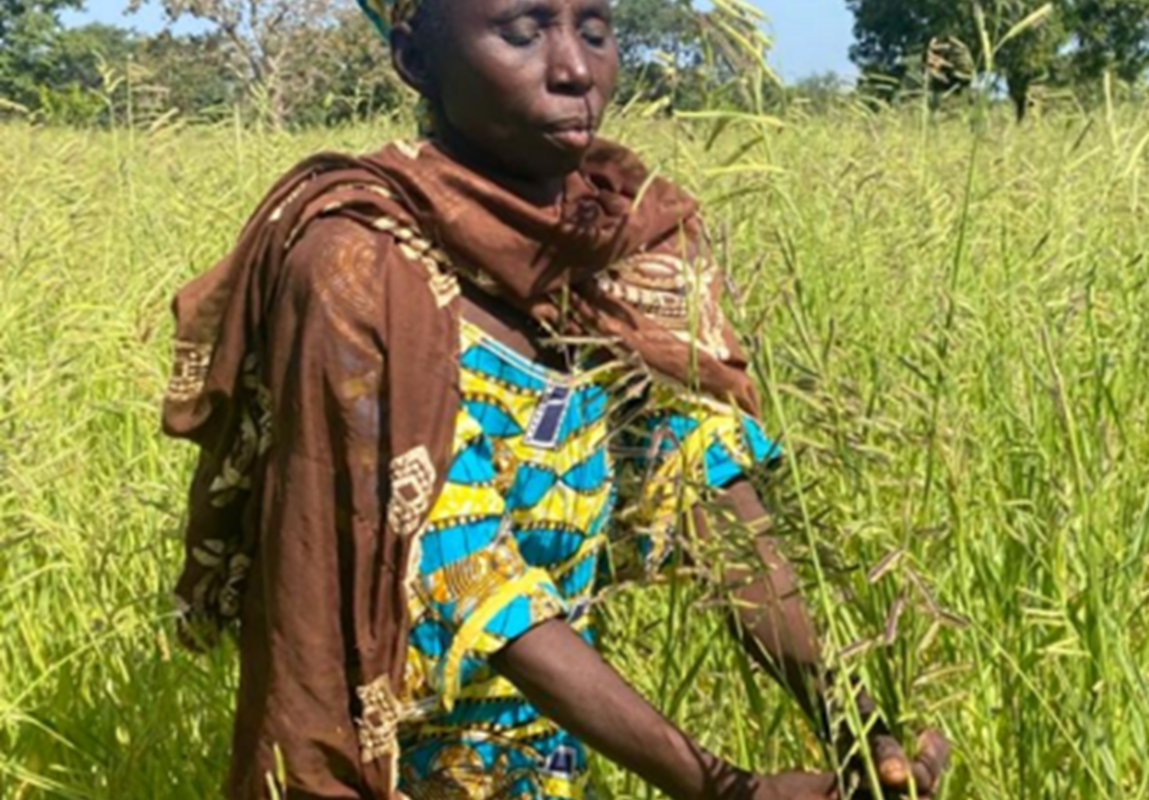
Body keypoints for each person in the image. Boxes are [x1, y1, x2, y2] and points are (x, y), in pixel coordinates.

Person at [158, 0, 948, 795]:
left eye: (595, 31)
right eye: (523, 31)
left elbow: (702, 488)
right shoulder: (356, 268)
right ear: (414, 59)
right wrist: (725, 790)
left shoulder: (617, 241)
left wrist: (858, 730)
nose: (575, 70)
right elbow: (466, 570)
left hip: (558, 765)